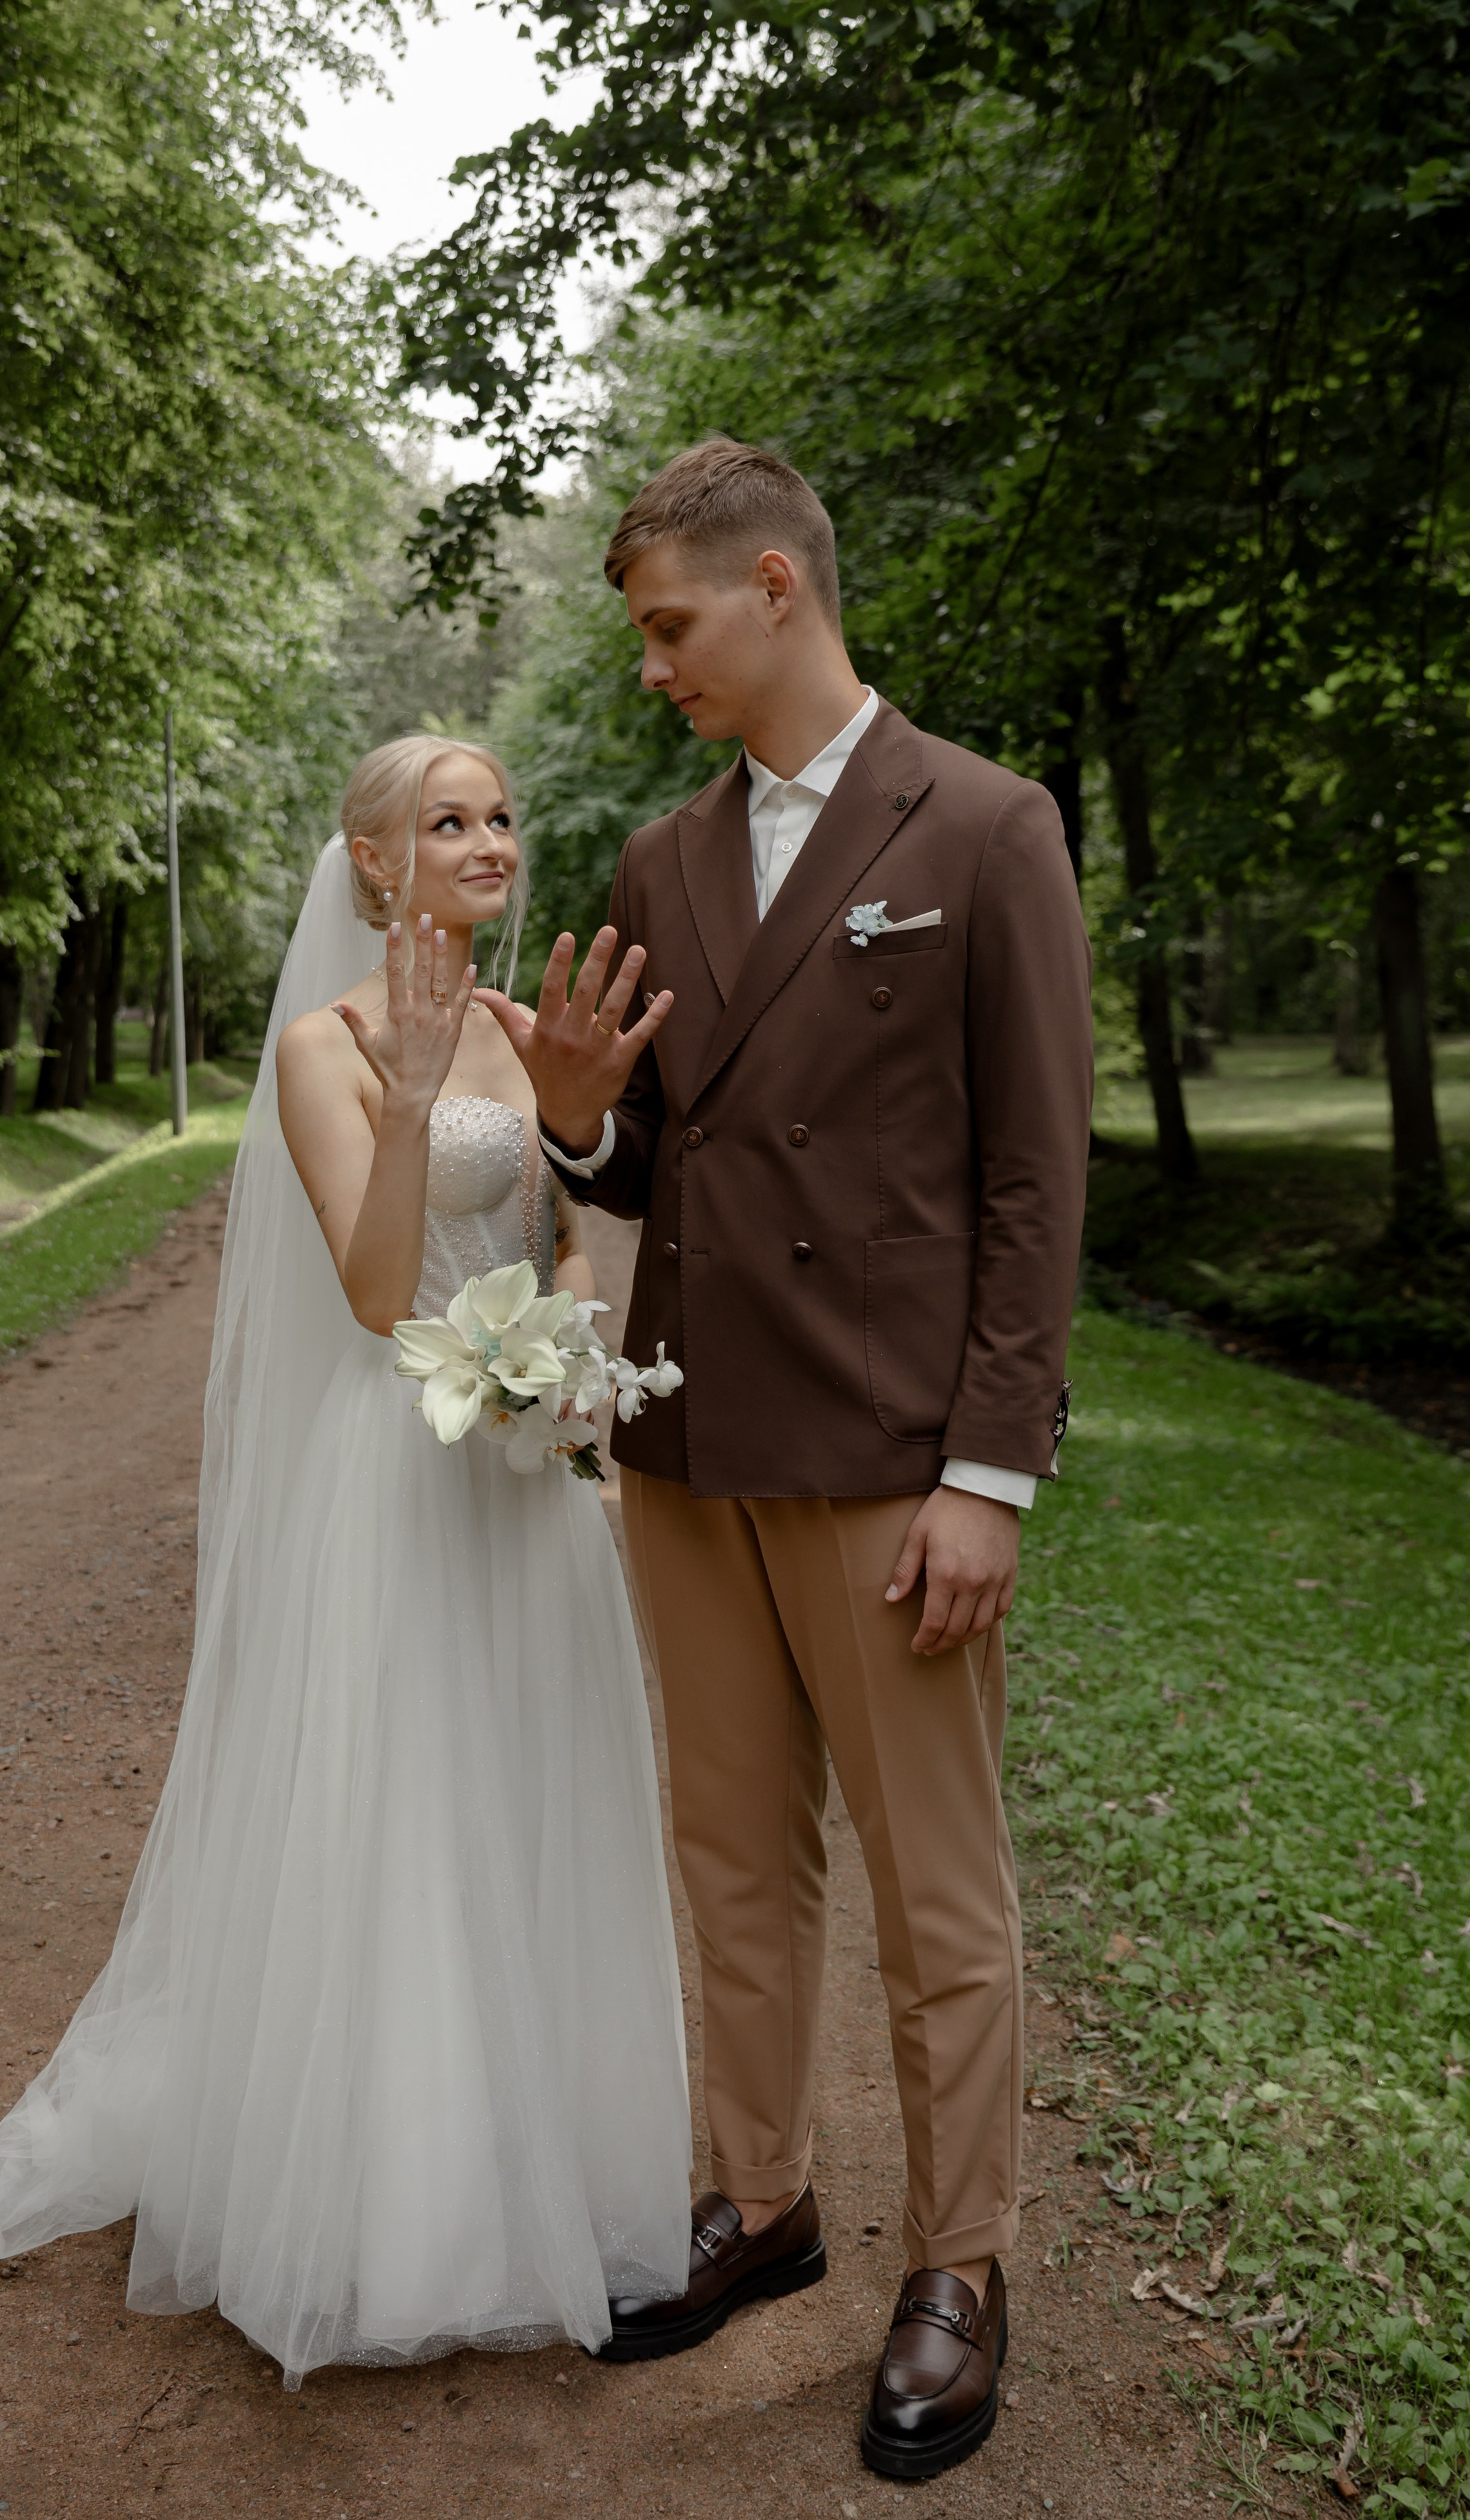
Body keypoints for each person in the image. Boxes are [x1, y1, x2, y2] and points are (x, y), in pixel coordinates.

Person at [0, 734, 692, 2381]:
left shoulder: (513, 1024)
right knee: (406, 1810)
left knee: (522, 1796)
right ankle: (393, 2219)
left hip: (522, 1464)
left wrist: (568, 1280)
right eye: (447, 821)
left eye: (498, 818)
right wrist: (413, 1108)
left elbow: (568, 1233)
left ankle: (535, 2165)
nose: (488, 841)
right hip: (395, 1466)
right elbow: (370, 1287)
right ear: (372, 865)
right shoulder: (319, 1045)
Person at [477, 441, 1092, 2481]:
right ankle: (761, 2201)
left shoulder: (990, 826)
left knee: (941, 1898)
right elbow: (651, 1157)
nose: (652, 667)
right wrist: (574, 1122)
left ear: (773, 585)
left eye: (668, 626)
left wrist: (990, 1473)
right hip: (690, 1443)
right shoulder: (661, 863)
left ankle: (961, 2267)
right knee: (733, 1862)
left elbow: (1033, 1178)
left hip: (891, 1459)